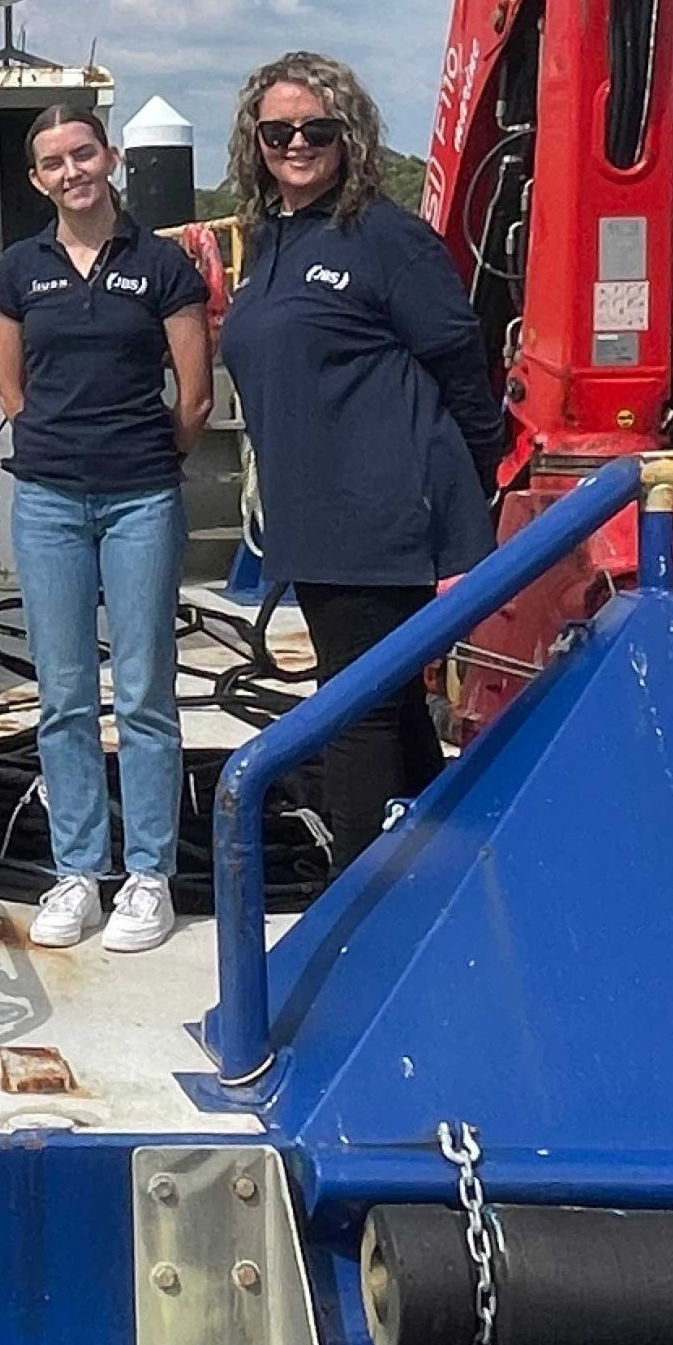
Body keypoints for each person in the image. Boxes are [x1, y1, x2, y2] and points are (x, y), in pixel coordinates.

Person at [217, 50, 506, 868]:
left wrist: (469, 493)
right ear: (254, 142)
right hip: (312, 521)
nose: (296, 144)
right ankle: (441, 871)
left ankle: (350, 905)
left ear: (349, 136)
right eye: (278, 131)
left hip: (379, 515)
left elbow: (461, 369)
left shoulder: (384, 238)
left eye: (316, 129)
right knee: (391, 706)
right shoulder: (268, 240)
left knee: (353, 711)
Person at [0, 99, 212, 953]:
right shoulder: (19, 271)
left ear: (109, 158)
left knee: (146, 689)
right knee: (64, 694)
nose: (70, 172)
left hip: (139, 499)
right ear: (36, 178)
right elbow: (12, 392)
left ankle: (148, 873)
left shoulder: (160, 265)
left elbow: (193, 397)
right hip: (48, 500)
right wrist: (63, 448)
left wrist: (140, 457)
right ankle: (77, 869)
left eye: (82, 154)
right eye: (53, 162)